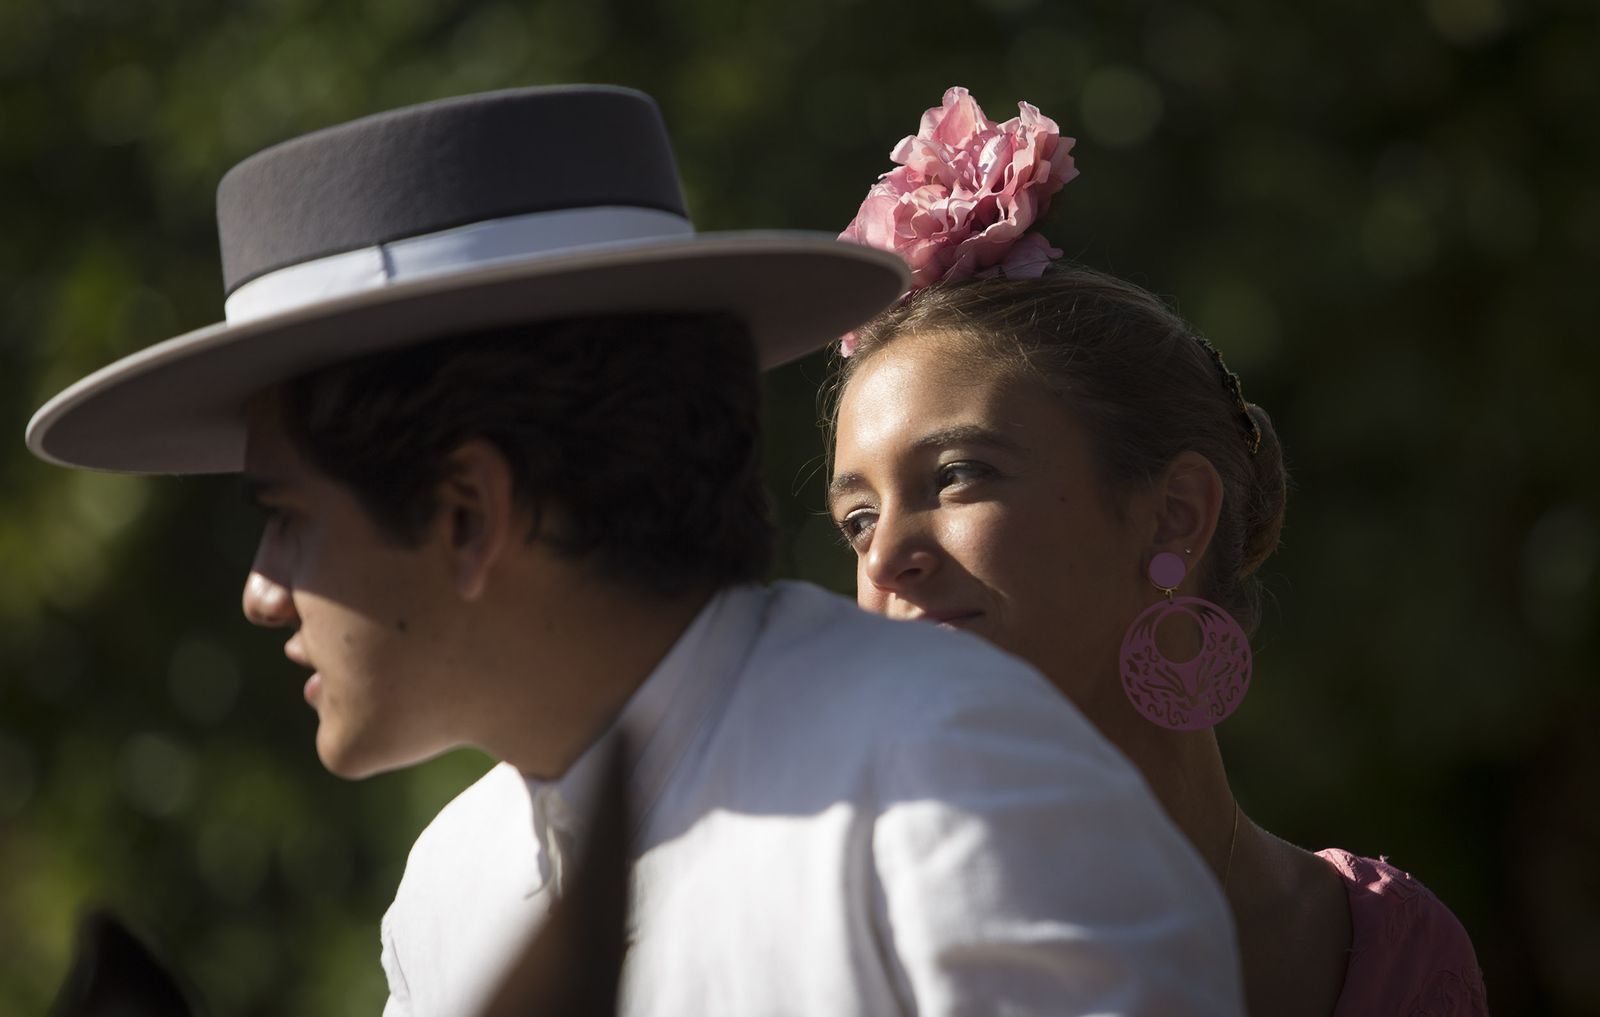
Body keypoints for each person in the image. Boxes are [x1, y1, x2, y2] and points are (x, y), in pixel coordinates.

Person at [26, 86, 1245, 1015]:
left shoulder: (962, 787)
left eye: (285, 514)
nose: (259, 592)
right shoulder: (454, 883)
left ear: (467, 514)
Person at [828, 87, 1489, 1017]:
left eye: (957, 476)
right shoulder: (826, 954)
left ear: (1174, 513)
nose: (886, 555)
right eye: (856, 519)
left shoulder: (1389, 953)